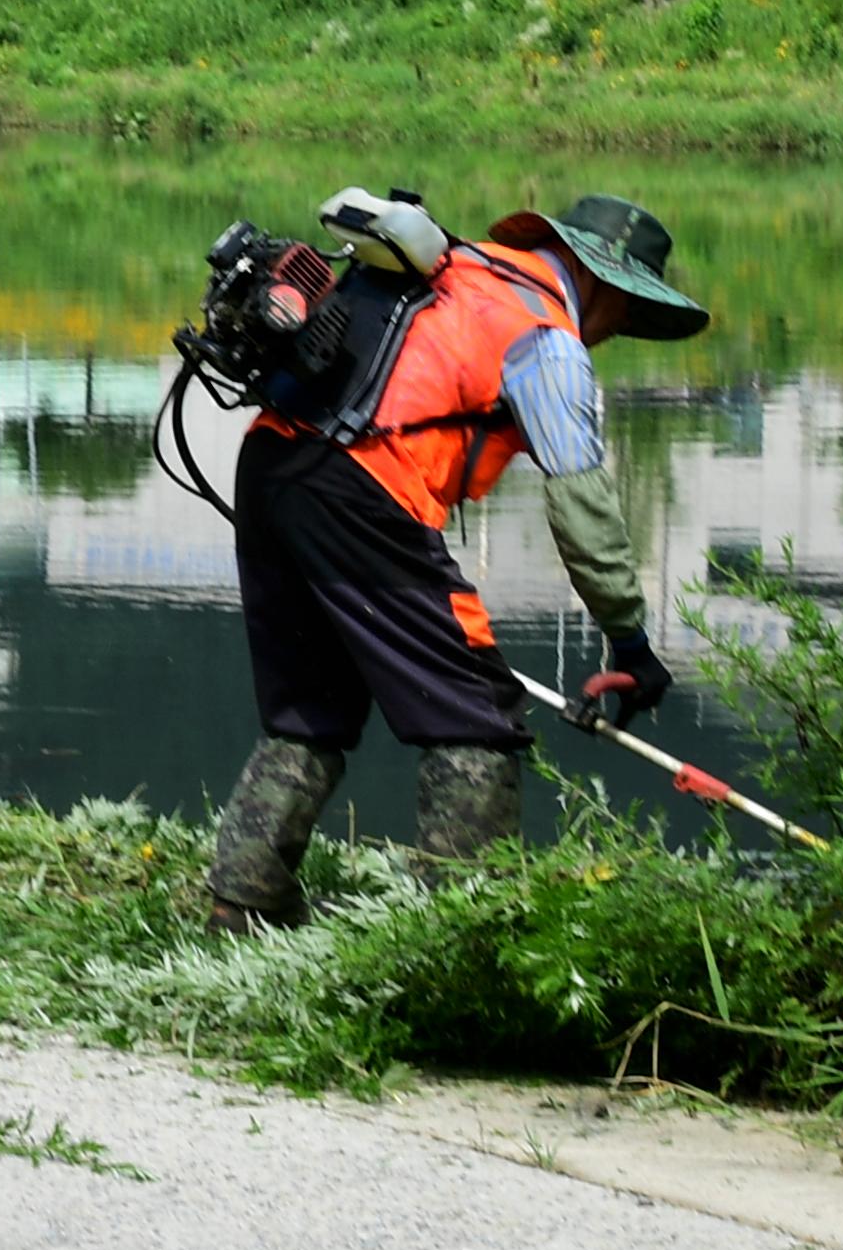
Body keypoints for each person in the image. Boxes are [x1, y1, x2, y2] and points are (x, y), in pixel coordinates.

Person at [209, 196, 709, 934]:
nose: (617, 332)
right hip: (366, 491)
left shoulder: (456, 268)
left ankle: (246, 905)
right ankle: (464, 929)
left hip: (272, 465)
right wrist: (631, 644)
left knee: (310, 711)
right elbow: (582, 509)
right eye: (626, 313)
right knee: (477, 718)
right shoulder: (545, 337)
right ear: (605, 284)